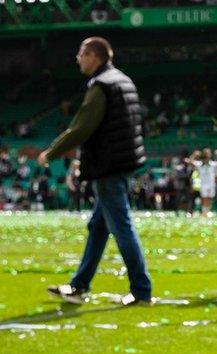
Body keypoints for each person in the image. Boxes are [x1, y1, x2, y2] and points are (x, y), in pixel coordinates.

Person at [40, 37, 151, 306]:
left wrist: (51, 152)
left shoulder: (102, 85)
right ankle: (79, 286)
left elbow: (81, 128)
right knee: (98, 226)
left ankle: (141, 290)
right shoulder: (122, 80)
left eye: (81, 53)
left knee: (121, 228)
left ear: (94, 56)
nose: (77, 59)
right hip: (122, 161)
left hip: (108, 165)